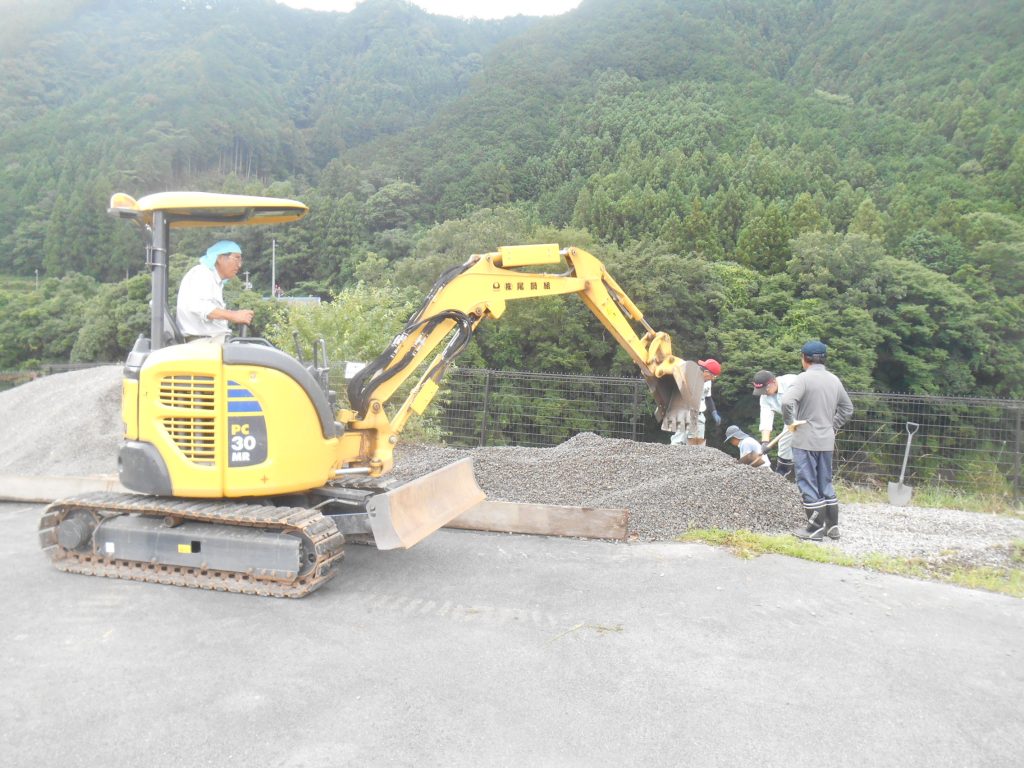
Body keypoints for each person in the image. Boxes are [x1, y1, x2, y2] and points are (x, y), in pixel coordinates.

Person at [780, 340, 854, 542]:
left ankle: (814, 528)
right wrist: (833, 426)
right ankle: (832, 527)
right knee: (825, 482)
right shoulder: (834, 380)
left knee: (807, 482)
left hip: (805, 440)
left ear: (805, 358)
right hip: (826, 441)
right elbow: (848, 409)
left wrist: (790, 422)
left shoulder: (803, 379)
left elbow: (787, 401)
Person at [176, 240, 254, 339]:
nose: (239, 265)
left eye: (240, 260)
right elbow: (199, 306)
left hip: (212, 341)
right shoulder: (202, 273)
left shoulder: (215, 280)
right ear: (220, 258)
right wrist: (233, 315)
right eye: (236, 258)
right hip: (202, 343)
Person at [751, 369, 799, 480]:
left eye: (765, 389)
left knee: (807, 446)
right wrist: (765, 442)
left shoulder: (791, 381)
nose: (764, 393)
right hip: (791, 421)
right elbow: (766, 419)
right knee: (784, 444)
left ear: (773, 382)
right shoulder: (765, 397)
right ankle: (782, 475)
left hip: (810, 415)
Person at [670, 358, 722, 446]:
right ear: (706, 372)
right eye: (713, 376)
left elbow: (708, 397)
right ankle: (671, 458)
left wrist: (714, 412)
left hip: (699, 415)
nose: (713, 379)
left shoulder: (707, 382)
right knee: (678, 441)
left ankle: (691, 460)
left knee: (698, 444)